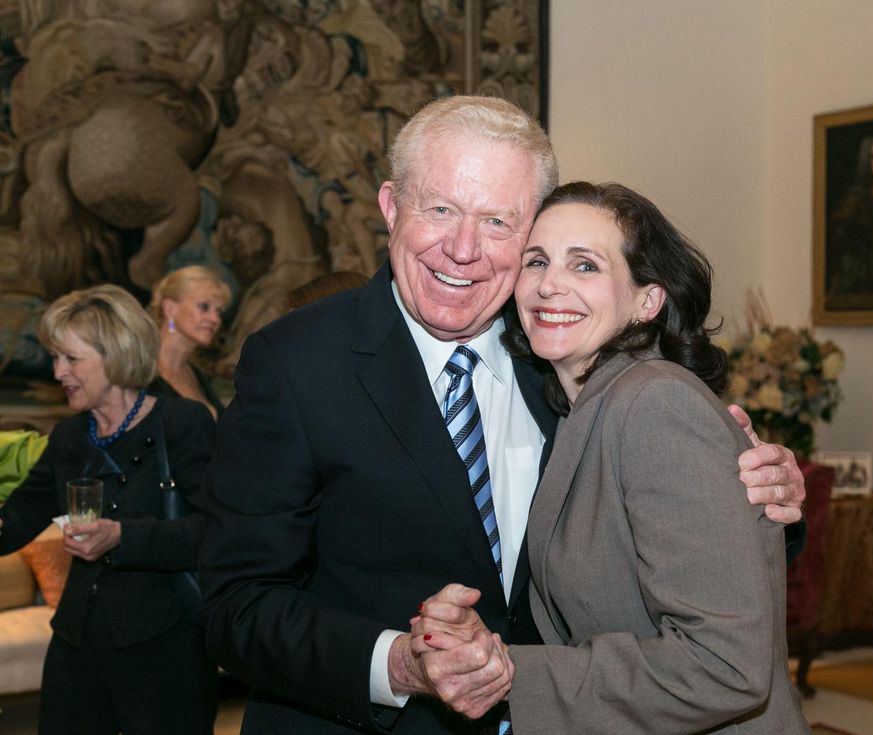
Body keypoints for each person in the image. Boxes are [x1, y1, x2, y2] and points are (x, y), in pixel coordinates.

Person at [198, 95, 805, 735]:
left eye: (498, 222)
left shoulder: (559, 352)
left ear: (531, 230)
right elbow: (235, 608)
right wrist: (399, 665)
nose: (464, 250)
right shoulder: (296, 362)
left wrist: (761, 502)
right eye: (440, 210)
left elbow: (661, 543)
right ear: (390, 207)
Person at [412, 182, 810, 733]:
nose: (551, 285)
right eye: (537, 261)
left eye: (585, 266)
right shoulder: (582, 408)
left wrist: (509, 673)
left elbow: (726, 665)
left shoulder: (655, 403)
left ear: (648, 300)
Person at [0, 284, 217, 734]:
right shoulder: (69, 438)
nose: (58, 372)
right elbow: (18, 517)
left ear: (116, 354)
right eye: (55, 358)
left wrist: (123, 536)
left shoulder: (181, 424)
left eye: (71, 359)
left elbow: (215, 532)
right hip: (77, 643)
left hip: (165, 645)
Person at [148, 265, 231, 419]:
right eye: (204, 307)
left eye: (218, 311)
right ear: (170, 308)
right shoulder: (142, 372)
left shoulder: (196, 374)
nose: (215, 320)